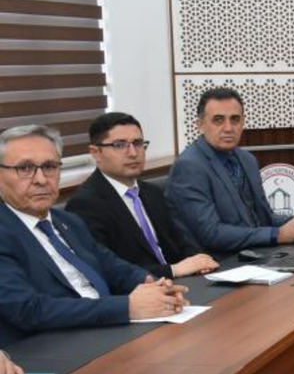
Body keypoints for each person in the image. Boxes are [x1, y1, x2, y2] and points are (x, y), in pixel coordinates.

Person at [0, 125, 188, 344]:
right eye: (25, 168)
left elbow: (113, 267)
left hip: (109, 330)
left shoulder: (68, 221)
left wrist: (155, 286)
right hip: (52, 344)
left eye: (50, 166)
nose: (41, 179)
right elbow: (28, 310)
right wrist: (127, 306)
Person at [166, 88, 294, 253]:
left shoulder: (247, 159)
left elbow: (263, 217)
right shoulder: (189, 166)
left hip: (255, 252)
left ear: (243, 122)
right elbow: (211, 234)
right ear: (200, 125)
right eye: (218, 120)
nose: (228, 128)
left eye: (235, 119)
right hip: (219, 261)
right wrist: (279, 234)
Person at [66, 112, 219, 279]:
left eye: (138, 143)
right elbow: (108, 270)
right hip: (141, 288)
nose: (133, 153)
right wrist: (172, 270)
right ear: (95, 152)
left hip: (186, 281)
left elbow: (181, 240)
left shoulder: (151, 192)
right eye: (119, 145)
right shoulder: (85, 205)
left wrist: (198, 260)